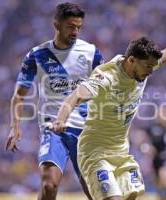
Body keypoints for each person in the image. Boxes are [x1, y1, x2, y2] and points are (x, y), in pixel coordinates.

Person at [52, 18, 166, 200]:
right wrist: (60, 119)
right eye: (147, 67)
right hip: (95, 153)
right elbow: (76, 95)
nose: (151, 71)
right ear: (131, 60)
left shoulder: (144, 65)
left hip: (121, 153)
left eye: (153, 66)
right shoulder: (106, 77)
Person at [6, 2, 103, 200]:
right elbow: (19, 95)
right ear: (56, 25)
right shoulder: (37, 55)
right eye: (70, 26)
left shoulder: (92, 53)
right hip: (53, 128)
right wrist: (15, 125)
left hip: (85, 130)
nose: (75, 31)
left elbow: (104, 88)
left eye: (78, 27)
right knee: (49, 184)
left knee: (93, 190)